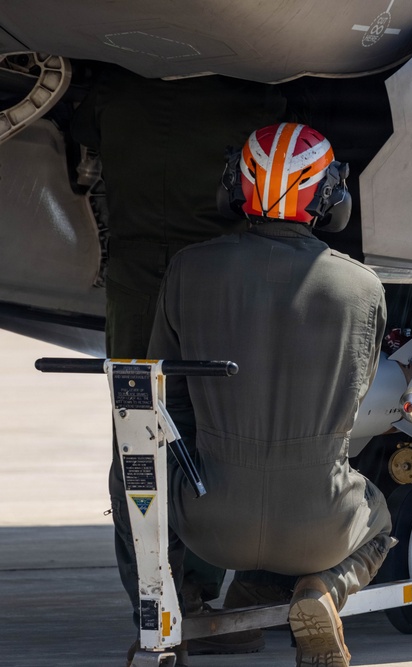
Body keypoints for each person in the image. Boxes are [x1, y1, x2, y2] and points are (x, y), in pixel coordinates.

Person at [145, 122, 392, 667]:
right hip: (320, 527)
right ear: (331, 198)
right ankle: (324, 589)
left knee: (132, 467)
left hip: (209, 524)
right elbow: (357, 398)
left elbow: (161, 397)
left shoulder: (189, 269)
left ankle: (175, 612)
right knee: (381, 523)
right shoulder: (363, 288)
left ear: (237, 186)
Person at [70, 65, 289, 653]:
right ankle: (221, 591)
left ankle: (160, 597)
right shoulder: (251, 82)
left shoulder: (111, 85)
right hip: (217, 276)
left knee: (136, 440)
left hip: (136, 280)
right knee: (220, 429)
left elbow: (84, 152)